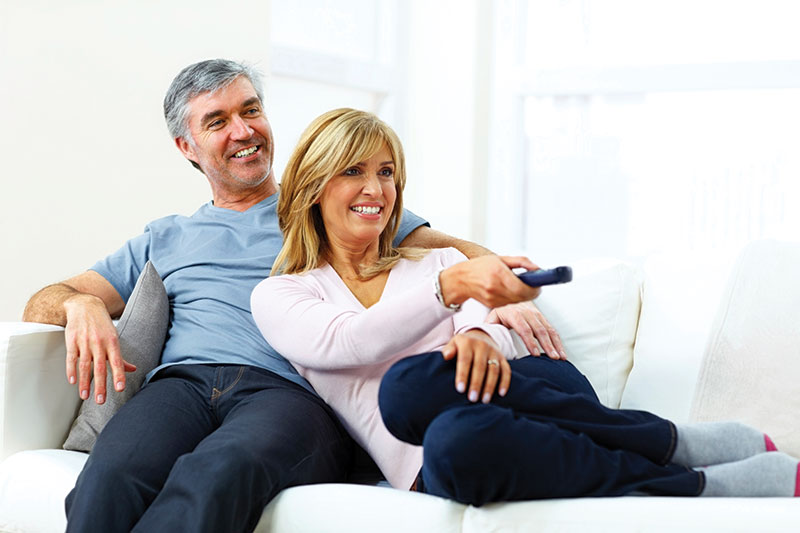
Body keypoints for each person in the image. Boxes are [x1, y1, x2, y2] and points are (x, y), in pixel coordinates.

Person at [22, 60, 565, 532]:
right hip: (180, 387)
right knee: (112, 475)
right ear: (187, 146)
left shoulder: (325, 206)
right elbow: (47, 298)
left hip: (288, 395)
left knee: (218, 471)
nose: (243, 130)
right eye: (218, 121)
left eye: (251, 110)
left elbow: (454, 251)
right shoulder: (164, 237)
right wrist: (82, 304)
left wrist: (502, 293)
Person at [251, 107, 800, 505]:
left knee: (416, 384)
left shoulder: (437, 259)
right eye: (353, 171)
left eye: (386, 172)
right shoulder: (282, 294)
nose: (376, 187)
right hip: (447, 453)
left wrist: (481, 337)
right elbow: (351, 341)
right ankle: (683, 467)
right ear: (313, 187)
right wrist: (455, 293)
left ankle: (672, 444)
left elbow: (497, 325)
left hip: (532, 391)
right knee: (427, 414)